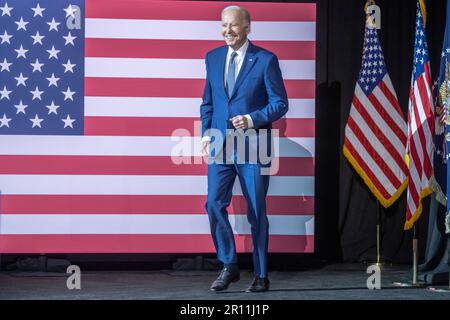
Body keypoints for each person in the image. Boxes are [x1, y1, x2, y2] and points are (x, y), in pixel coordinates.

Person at [200, 5, 288, 292]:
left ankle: (261, 274)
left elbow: (280, 103)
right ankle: (229, 265)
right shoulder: (212, 58)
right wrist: (205, 135)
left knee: (256, 211)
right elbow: (208, 103)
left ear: (248, 27)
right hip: (220, 145)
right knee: (213, 203)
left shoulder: (265, 60)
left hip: (254, 146)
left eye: (234, 25)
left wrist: (251, 119)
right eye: (224, 25)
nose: (228, 31)